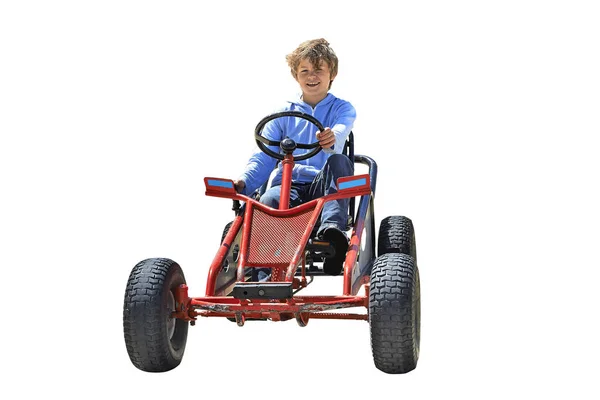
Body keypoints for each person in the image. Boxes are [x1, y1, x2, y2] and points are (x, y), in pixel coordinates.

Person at [234, 38, 356, 278]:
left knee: (339, 161)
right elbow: (263, 156)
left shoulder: (342, 108)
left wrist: (332, 137)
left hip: (324, 188)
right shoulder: (282, 113)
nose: (312, 76)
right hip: (289, 187)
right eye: (305, 71)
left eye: (319, 69)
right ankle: (262, 276)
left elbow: (342, 129)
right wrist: (244, 183)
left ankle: (333, 235)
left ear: (332, 73)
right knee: (268, 199)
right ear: (296, 76)